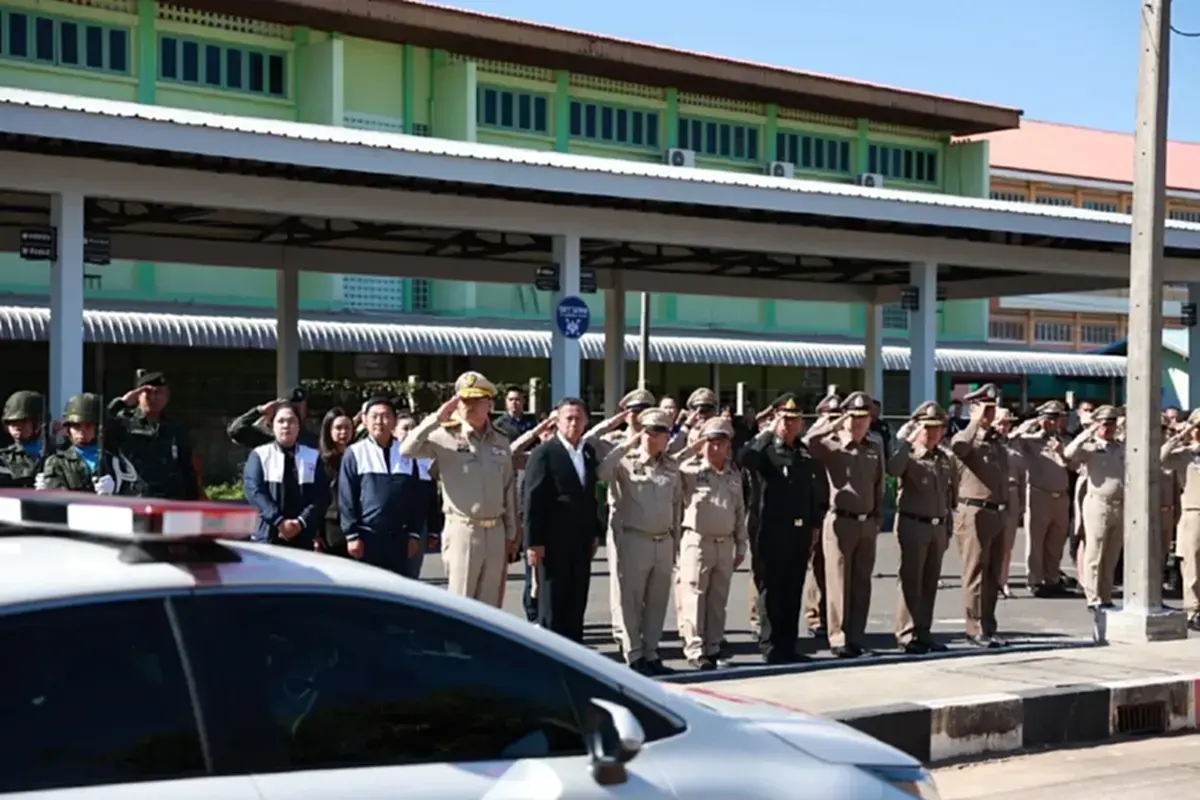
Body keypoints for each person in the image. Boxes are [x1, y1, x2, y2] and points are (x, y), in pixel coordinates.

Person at [400, 372, 518, 606]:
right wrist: (436, 417)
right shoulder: (445, 435)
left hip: (495, 530)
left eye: (476, 400)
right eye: (464, 400)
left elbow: (508, 486)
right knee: (462, 603)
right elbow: (406, 449)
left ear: (490, 404)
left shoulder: (500, 440)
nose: (468, 406)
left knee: (491, 605)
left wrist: (512, 532)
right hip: (463, 529)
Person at [597, 407, 683, 676]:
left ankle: (651, 651)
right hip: (635, 539)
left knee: (657, 602)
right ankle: (633, 652)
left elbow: (676, 506)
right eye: (650, 431)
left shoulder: (671, 466)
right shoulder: (625, 461)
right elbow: (601, 473)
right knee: (630, 600)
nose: (655, 437)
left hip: (663, 540)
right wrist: (627, 443)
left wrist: (676, 544)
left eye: (661, 432)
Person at [739, 393, 819, 664]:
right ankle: (771, 647)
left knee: (793, 588)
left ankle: (788, 645)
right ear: (775, 420)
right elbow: (745, 458)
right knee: (771, 590)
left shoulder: (804, 452)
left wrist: (814, 526)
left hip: (799, 532)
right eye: (784, 419)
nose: (788, 425)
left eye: (793, 420)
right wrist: (765, 434)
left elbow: (811, 494)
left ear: (801, 424)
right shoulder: (765, 450)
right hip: (771, 531)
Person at [805, 390, 885, 659]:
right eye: (854, 417)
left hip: (866, 523)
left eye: (863, 418)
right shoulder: (832, 444)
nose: (858, 423)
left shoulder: (875, 447)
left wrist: (876, 519)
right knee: (838, 582)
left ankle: (857, 637)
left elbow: (879, 485)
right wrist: (835, 423)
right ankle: (838, 637)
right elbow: (808, 442)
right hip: (840, 521)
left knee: (861, 583)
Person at [584, 387, 656, 656]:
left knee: (650, 586)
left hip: (652, 519)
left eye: (644, 411)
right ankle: (621, 631)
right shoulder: (613, 439)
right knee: (622, 579)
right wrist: (611, 423)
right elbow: (588, 442)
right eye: (634, 411)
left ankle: (643, 637)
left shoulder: (658, 439)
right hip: (624, 518)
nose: (638, 417)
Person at [522, 397, 600, 643]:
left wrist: (594, 532)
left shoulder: (587, 452)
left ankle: (574, 655)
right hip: (552, 543)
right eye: (568, 418)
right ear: (557, 421)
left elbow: (590, 495)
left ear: (586, 421)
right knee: (552, 605)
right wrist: (533, 543)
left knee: (576, 602)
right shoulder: (544, 453)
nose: (573, 423)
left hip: (580, 542)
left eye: (578, 418)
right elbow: (532, 500)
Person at [676, 416, 747, 669]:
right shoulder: (689, 471)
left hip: (725, 542)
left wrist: (741, 543)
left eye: (722, 443)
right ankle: (695, 649)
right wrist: (690, 448)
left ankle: (713, 646)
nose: (716, 448)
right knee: (694, 596)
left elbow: (739, 510)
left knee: (718, 598)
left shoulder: (733, 473)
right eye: (711, 442)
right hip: (698, 540)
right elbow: (667, 465)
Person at [888, 402, 956, 654]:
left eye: (937, 428)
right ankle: (906, 633)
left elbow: (951, 495)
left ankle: (924, 631)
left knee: (929, 582)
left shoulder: (944, 458)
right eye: (927, 427)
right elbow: (892, 469)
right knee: (910, 580)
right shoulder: (909, 454)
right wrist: (906, 441)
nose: (932, 433)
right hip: (913, 523)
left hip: (937, 526)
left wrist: (948, 524)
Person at [950, 383, 1010, 649]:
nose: (990, 414)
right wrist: (975, 421)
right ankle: (973, 628)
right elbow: (960, 447)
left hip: (996, 512)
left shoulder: (995, 442)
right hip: (973, 512)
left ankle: (988, 625)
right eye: (986, 408)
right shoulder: (964, 438)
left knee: (992, 574)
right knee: (975, 572)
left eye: (992, 408)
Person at [339, 398, 420, 573]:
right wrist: (351, 534)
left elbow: (416, 495)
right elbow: (346, 497)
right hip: (367, 537)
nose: (379, 421)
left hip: (399, 537)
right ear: (365, 420)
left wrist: (415, 533)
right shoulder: (355, 452)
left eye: (385, 416)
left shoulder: (406, 452)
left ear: (394, 421)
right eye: (374, 416)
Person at [1063, 405, 1125, 610]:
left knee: (1112, 553)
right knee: (1095, 552)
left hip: (1120, 505)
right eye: (1104, 424)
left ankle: (1106, 595)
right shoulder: (1090, 448)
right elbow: (1069, 452)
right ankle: (1093, 597)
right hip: (1098, 503)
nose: (1108, 428)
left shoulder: (1121, 447)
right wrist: (1088, 431)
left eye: (1112, 424)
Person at [243, 405, 329, 550]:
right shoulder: (260, 455)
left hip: (303, 536)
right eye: (281, 421)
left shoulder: (312, 456)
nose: (286, 425)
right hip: (267, 536)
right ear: (271, 425)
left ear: (299, 426)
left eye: (291, 421)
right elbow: (254, 491)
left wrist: (301, 522)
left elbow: (321, 495)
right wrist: (279, 522)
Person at [1009, 401, 1072, 597]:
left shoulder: (1067, 440)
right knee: (1036, 541)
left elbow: (1073, 463)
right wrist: (1035, 422)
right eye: (1049, 418)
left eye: (1056, 418)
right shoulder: (1030, 441)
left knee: (1056, 542)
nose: (1053, 422)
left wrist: (1061, 450)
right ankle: (1035, 580)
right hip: (1039, 494)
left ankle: (1052, 578)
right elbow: (1011, 437)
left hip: (1061, 497)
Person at [107, 371, 200, 500]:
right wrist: (122, 403)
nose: (153, 398)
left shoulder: (174, 428)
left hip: (170, 500)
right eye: (148, 392)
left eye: (159, 393)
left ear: (167, 397)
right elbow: (99, 430)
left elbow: (186, 469)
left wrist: (192, 503)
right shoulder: (123, 423)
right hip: (137, 498)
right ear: (138, 395)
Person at [38, 393, 137, 495]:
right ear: (68, 429)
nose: (82, 431)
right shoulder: (57, 462)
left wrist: (116, 490)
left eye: (88, 426)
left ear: (98, 428)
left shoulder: (114, 461)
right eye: (76, 426)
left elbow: (135, 492)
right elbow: (59, 498)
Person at [802, 391, 840, 640]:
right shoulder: (816, 441)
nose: (835, 420)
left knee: (834, 569)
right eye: (830, 415)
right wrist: (825, 425)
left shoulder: (842, 441)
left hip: (838, 511)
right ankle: (815, 616)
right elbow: (807, 442)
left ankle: (832, 615)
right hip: (815, 510)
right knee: (816, 567)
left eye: (838, 415)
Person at [1163, 410, 1200, 631]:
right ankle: (1193, 610)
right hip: (1193, 513)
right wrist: (1182, 433)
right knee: (1192, 566)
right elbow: (1160, 457)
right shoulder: (1184, 455)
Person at [394, 413, 443, 579]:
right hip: (395, 524)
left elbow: (431, 496)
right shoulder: (391, 457)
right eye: (404, 428)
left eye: (413, 428)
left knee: (412, 574)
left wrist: (434, 529)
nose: (409, 432)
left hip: (419, 523)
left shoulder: (425, 459)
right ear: (394, 431)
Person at [992, 408, 1026, 599]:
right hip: (993, 495)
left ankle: (1003, 582)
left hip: (1011, 494)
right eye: (1000, 423)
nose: (1004, 427)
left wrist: (1021, 502)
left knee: (1007, 544)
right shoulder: (986, 445)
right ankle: (990, 583)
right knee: (990, 544)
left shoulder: (1015, 447)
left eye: (1007, 423)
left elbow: (1022, 475)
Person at [316, 407, 355, 557]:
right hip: (331, 528)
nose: (343, 433)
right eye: (338, 428)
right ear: (328, 430)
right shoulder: (321, 462)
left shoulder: (359, 456)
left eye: (347, 428)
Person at [227, 386, 317, 449]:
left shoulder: (311, 440)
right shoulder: (266, 440)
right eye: (282, 420)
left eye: (302, 407)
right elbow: (236, 430)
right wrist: (259, 410)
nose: (287, 425)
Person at [0, 390, 46, 489]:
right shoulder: (3, 459)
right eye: (11, 422)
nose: (16, 427)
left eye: (23, 421)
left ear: (37, 423)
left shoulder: (56, 458)